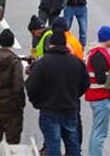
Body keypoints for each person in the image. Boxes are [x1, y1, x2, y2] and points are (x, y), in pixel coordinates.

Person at [26, 27, 90, 156]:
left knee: (53, 143)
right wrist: (73, 95)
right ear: (65, 44)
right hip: (70, 109)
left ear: (50, 44)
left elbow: (31, 86)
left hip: (49, 110)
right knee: (72, 143)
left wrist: (38, 102)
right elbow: (86, 84)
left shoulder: (43, 63)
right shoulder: (77, 62)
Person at [0, 29, 25, 144]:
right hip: (11, 105)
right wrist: (21, 104)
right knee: (13, 140)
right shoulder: (14, 61)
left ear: (0, 42)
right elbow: (18, 86)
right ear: (12, 43)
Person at [86, 26, 110, 156]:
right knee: (100, 134)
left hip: (97, 97)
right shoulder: (100, 55)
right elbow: (100, 78)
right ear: (107, 38)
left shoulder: (97, 53)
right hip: (101, 97)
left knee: (96, 131)